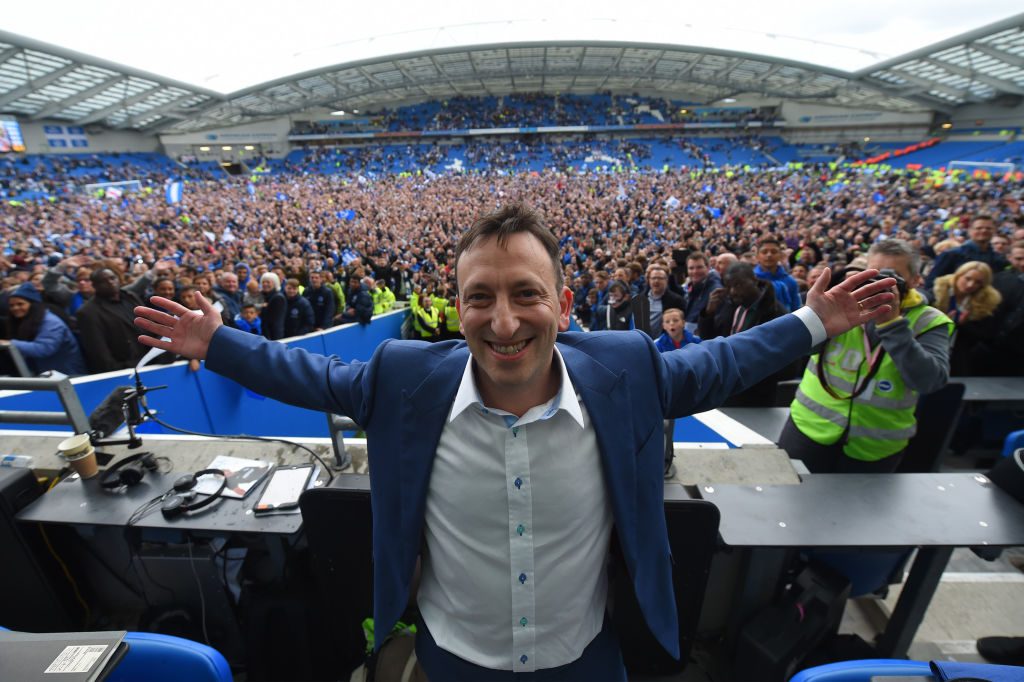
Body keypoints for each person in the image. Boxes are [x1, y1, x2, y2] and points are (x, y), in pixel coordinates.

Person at [134, 202, 895, 681]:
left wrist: (812, 322)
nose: (504, 323)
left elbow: (722, 361)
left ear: (563, 305)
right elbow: (307, 374)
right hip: (452, 656)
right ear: (455, 307)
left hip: (589, 654)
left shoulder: (627, 370)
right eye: (481, 298)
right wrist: (220, 342)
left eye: (526, 293)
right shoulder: (403, 380)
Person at [781, 239, 952, 473]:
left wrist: (892, 324)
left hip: (875, 445)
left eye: (892, 276)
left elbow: (929, 381)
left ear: (914, 280)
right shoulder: (843, 305)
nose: (879, 283)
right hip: (808, 428)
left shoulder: (929, 321)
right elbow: (797, 349)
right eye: (874, 274)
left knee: (859, 509)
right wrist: (812, 316)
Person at [698, 262, 789, 406]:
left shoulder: (776, 313)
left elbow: (786, 364)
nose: (733, 291)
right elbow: (710, 341)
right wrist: (708, 314)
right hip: (726, 390)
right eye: (728, 286)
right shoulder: (730, 304)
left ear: (754, 280)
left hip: (755, 398)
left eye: (738, 285)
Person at [654, 307, 701, 479]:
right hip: (669, 392)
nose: (672, 324)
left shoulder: (696, 342)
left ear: (683, 323)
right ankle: (665, 458)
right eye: (667, 321)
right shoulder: (656, 345)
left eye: (675, 320)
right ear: (663, 326)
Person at [932, 261, 1001, 376]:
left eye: (978, 282)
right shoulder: (937, 294)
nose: (970, 285)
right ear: (959, 275)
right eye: (967, 278)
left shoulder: (985, 303)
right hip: (932, 349)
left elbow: (985, 335)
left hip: (959, 356)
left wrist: (963, 325)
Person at [77, 268, 153, 373]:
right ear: (95, 286)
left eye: (112, 278)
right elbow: (99, 353)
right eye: (103, 281)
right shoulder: (88, 312)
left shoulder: (131, 297)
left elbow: (148, 327)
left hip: (149, 362)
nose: (110, 282)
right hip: (124, 370)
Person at [0, 283, 86, 376]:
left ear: (33, 304)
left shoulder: (51, 322)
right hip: (45, 374)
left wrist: (11, 343)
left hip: (67, 375)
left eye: (20, 304)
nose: (15, 308)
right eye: (11, 305)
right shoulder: (21, 321)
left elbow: (44, 348)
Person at [925, 215, 1009, 293]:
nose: (984, 230)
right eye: (979, 228)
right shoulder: (952, 254)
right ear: (970, 231)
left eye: (988, 228)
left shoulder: (998, 259)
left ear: (994, 231)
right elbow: (932, 283)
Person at [631, 264, 684, 337]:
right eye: (653, 278)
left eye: (660, 278)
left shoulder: (676, 300)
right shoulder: (641, 299)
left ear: (666, 280)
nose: (656, 281)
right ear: (649, 280)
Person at [754, 238, 801, 313]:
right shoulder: (751, 279)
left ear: (780, 255)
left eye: (774, 252)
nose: (769, 255)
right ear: (757, 256)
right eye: (764, 252)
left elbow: (796, 310)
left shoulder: (790, 281)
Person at [682, 252, 723, 333]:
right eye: (691, 268)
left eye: (699, 267)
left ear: (708, 268)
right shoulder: (694, 285)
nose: (695, 271)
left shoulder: (715, 290)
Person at [259, 272, 286, 340]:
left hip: (272, 336)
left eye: (268, 282)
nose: (265, 284)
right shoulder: (263, 296)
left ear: (275, 283)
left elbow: (276, 322)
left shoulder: (278, 298)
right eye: (263, 282)